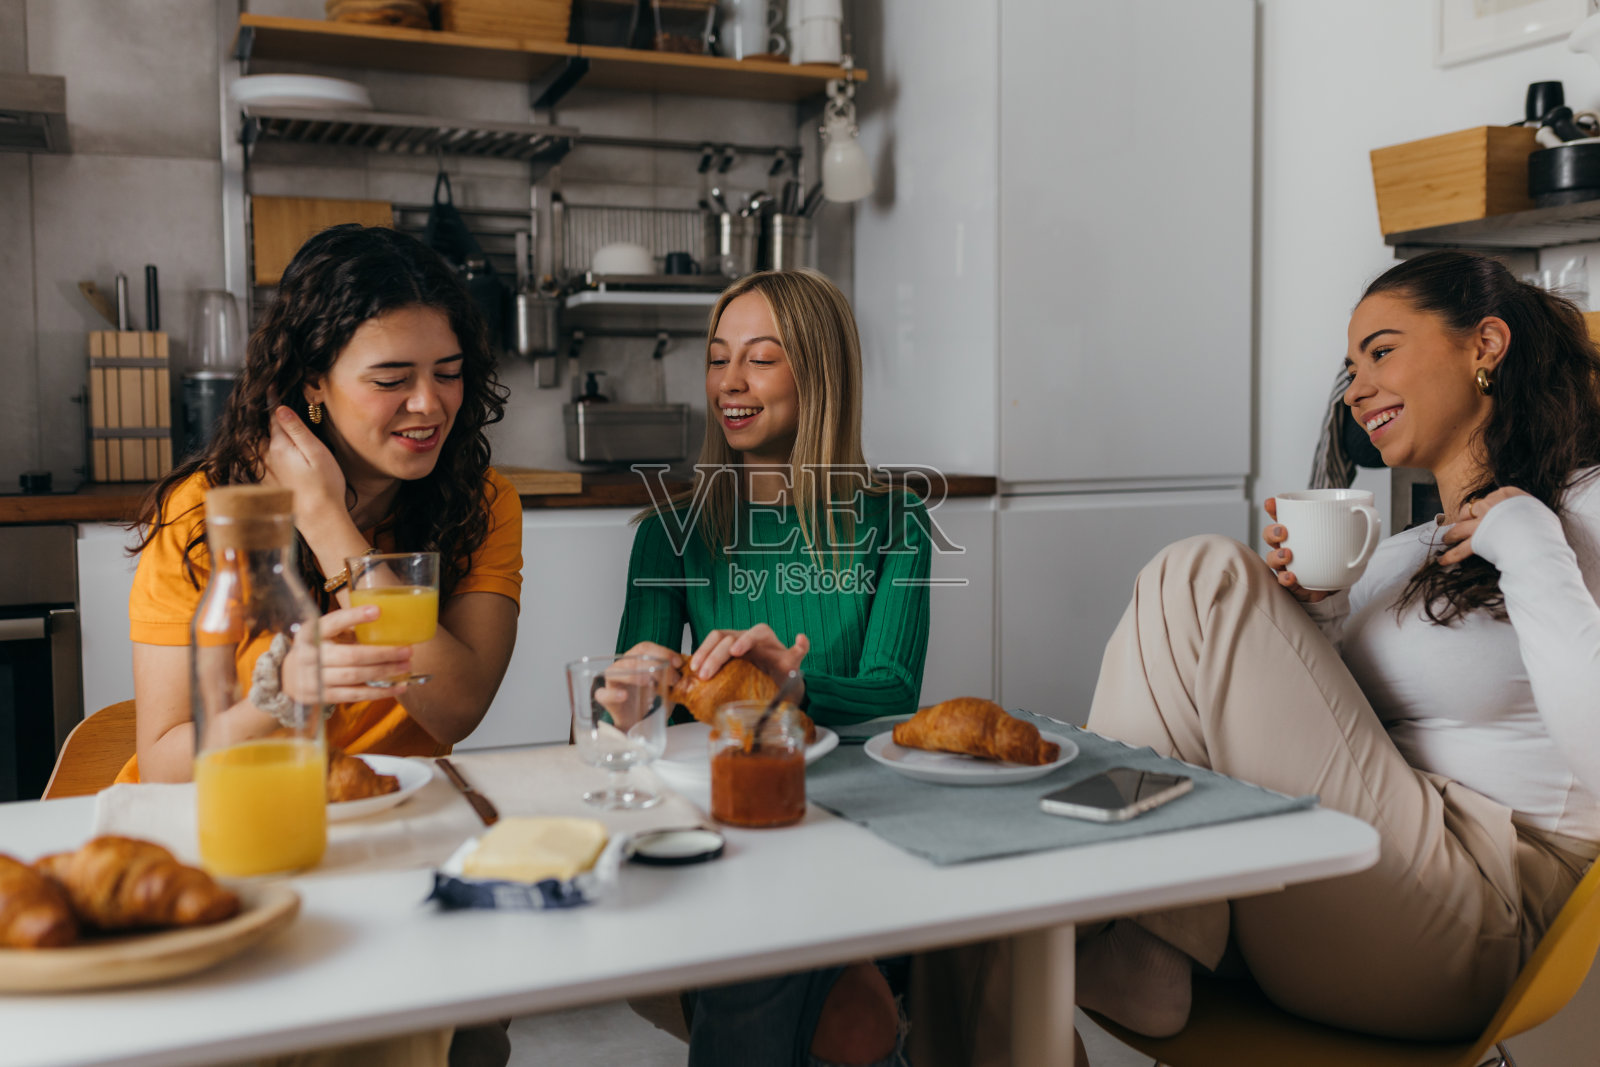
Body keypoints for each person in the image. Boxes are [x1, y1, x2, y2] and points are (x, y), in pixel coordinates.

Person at [1068, 249, 1600, 1052]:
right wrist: (1314, 621)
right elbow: (1340, 746)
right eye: (1349, 367)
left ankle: (1118, 923)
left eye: (1380, 351)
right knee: (1198, 583)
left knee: (1204, 572)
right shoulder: (1401, 552)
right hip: (1355, 886)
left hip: (1480, 919)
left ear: (1485, 344)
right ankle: (1117, 922)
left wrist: (1529, 545)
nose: (1355, 388)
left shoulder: (1582, 510)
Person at [616, 268, 932, 1066]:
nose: (730, 382)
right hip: (728, 822)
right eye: (719, 358)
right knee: (841, 1012)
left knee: (836, 1013)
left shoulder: (898, 522)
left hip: (863, 819)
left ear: (819, 373)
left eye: (760, 358)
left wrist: (789, 686)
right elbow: (629, 708)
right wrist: (625, 698)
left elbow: (893, 687)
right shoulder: (668, 534)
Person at [122, 223, 522, 784]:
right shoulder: (203, 512)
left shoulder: (481, 504)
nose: (429, 404)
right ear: (313, 383)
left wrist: (323, 518)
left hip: (389, 816)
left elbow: (457, 708)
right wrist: (280, 696)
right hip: (236, 819)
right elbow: (163, 766)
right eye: (391, 380)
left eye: (448, 374)